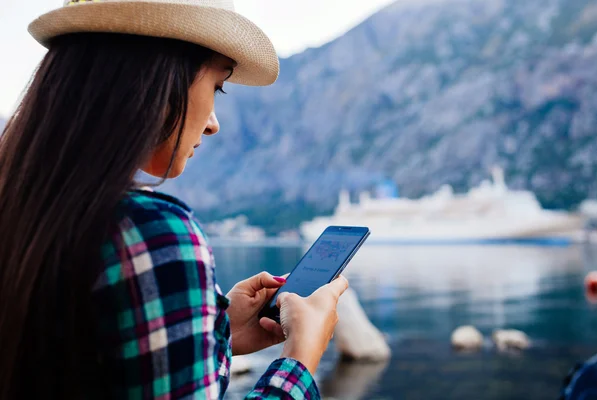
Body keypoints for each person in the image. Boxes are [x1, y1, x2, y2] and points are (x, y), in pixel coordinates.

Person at [0, 0, 348, 398]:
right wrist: (301, 356)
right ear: (157, 79)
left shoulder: (23, 208)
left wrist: (216, 332)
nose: (214, 122)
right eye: (217, 86)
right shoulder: (150, 231)